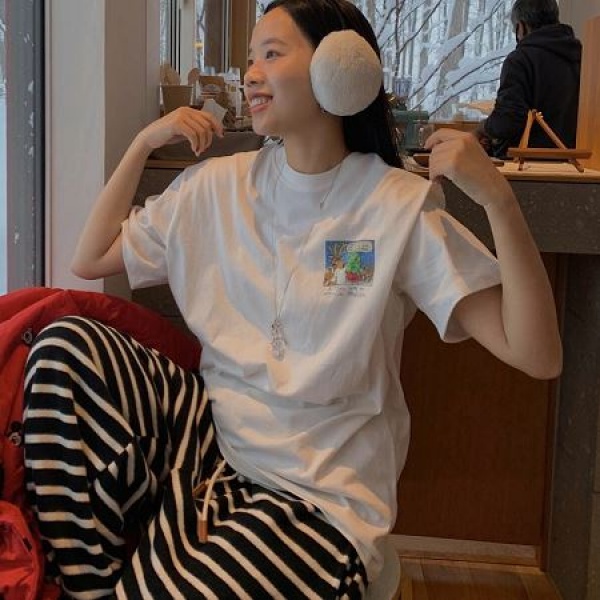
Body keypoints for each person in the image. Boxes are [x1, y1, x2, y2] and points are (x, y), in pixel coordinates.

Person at [22, 0, 562, 598]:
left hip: (319, 495)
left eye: (272, 54)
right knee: (63, 348)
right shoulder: (216, 188)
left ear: (341, 65)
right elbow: (92, 258)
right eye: (251, 58)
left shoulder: (394, 208)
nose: (251, 74)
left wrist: (497, 200)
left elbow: (537, 355)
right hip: (213, 444)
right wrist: (143, 143)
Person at [477, 0, 582, 158]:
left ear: (521, 27)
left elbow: (508, 121)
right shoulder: (583, 57)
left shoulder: (520, 60)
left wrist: (483, 128)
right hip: (578, 162)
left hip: (527, 163)